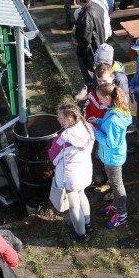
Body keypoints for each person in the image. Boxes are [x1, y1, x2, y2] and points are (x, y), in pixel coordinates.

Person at [50, 102, 95, 243]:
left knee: (74, 206)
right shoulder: (87, 126)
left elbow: (53, 157)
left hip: (71, 174)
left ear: (69, 119)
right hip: (85, 168)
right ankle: (87, 224)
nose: (58, 119)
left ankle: (81, 234)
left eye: (60, 117)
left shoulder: (64, 137)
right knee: (82, 194)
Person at [90, 83, 131, 228]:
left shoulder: (114, 118)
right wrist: (98, 121)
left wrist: (95, 132)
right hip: (112, 156)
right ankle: (116, 206)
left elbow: (110, 142)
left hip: (112, 158)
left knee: (117, 185)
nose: (99, 101)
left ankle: (122, 215)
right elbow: (109, 126)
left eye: (100, 98)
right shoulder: (114, 110)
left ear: (108, 98)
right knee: (114, 184)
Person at [73, 0, 108, 98]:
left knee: (91, 80)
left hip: (90, 52)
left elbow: (85, 39)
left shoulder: (85, 15)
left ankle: (93, 100)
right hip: (100, 46)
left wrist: (80, 53)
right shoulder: (98, 7)